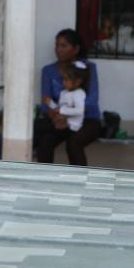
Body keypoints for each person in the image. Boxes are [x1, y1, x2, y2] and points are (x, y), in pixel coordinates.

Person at [34, 29, 102, 166]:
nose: (58, 49)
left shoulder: (87, 68)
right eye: (57, 45)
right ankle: (42, 180)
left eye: (63, 46)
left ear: (76, 49)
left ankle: (80, 182)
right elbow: (45, 103)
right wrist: (55, 116)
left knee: (74, 143)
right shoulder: (48, 71)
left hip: (87, 120)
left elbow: (91, 101)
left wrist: (64, 113)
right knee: (46, 140)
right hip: (58, 119)